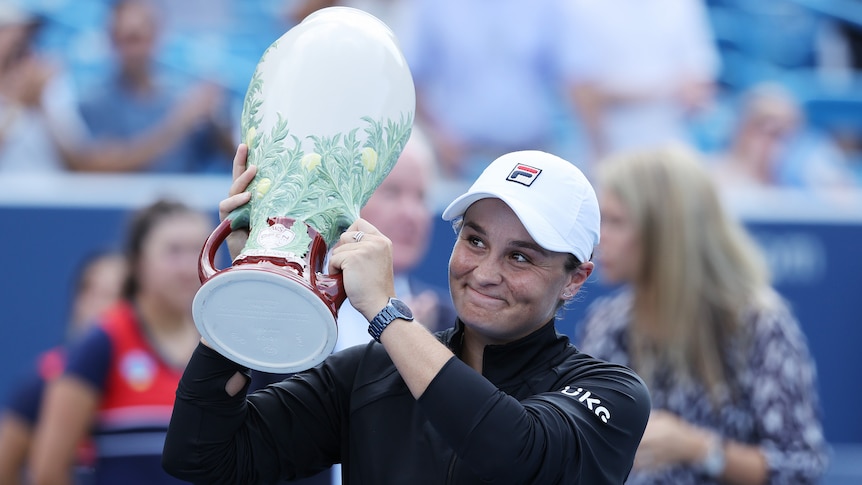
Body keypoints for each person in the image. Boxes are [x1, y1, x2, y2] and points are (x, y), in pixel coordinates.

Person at [161, 144, 651, 484]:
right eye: (475, 241)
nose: (484, 272)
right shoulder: (370, 373)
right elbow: (202, 456)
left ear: (575, 278)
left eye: (520, 256)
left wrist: (384, 312)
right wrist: (254, 285)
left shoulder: (613, 394)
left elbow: (512, 452)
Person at [577, 144, 828, 483]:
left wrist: (698, 448)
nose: (599, 238)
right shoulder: (606, 322)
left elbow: (802, 470)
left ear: (666, 231)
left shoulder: (758, 324)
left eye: (617, 221)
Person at [28, 200, 212, 485]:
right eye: (173, 251)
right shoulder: (102, 342)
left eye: (200, 249)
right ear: (137, 262)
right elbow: (48, 472)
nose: (189, 267)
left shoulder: (224, 345)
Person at [0, 251, 126, 485]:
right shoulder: (44, 377)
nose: (113, 307)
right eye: (103, 294)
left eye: (123, 297)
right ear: (80, 299)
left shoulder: (147, 379)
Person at [76, 0, 235, 173]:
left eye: (135, 39)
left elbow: (233, 158)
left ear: (157, 37)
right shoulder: (94, 103)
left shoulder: (183, 97)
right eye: (119, 39)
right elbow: (99, 166)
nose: (129, 51)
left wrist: (219, 118)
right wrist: (181, 121)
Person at [565, 0, 720, 165]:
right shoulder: (582, 7)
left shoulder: (681, 5)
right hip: (610, 151)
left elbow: (700, 82)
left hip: (672, 148)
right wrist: (666, 88)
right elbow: (582, 90)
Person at [710, 82, 857, 190]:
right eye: (774, 133)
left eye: (789, 135)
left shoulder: (806, 173)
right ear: (744, 130)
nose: (781, 145)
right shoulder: (713, 174)